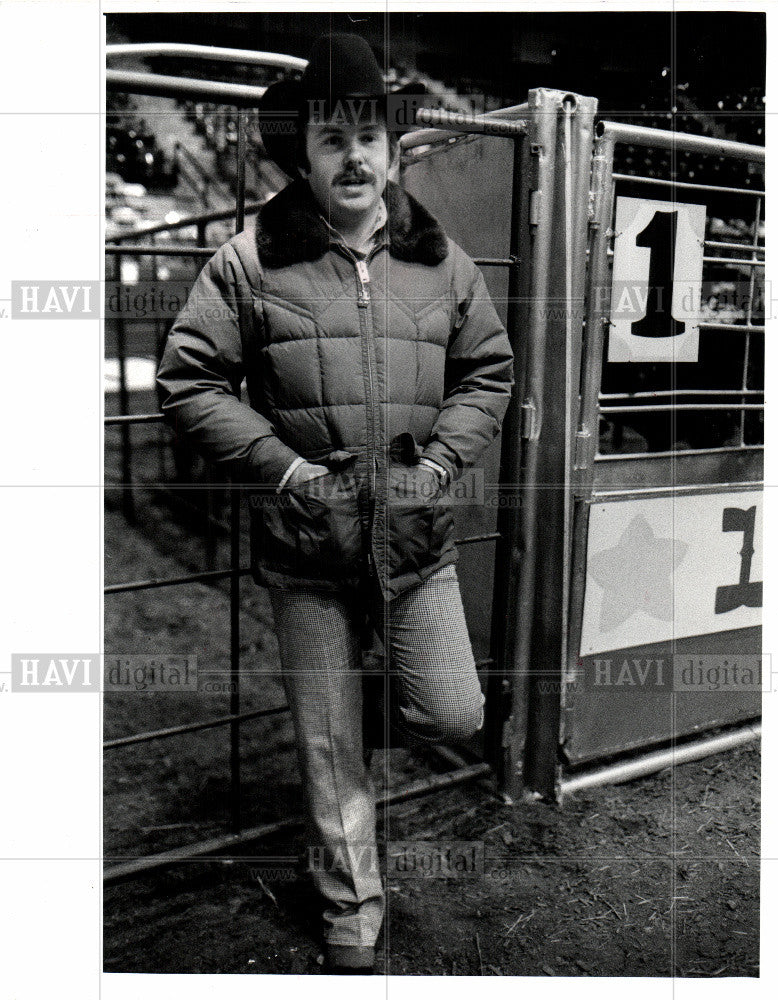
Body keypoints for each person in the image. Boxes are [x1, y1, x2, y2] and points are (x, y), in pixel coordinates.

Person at [156, 33, 514, 974]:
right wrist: (286, 470)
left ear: (393, 147)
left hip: (413, 536)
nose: (353, 155)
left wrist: (438, 467)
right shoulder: (247, 263)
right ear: (305, 155)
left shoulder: (445, 262)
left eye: (368, 134)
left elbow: (490, 369)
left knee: (450, 713)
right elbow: (189, 381)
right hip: (307, 547)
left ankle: (377, 699)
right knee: (328, 749)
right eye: (330, 138)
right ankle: (353, 912)